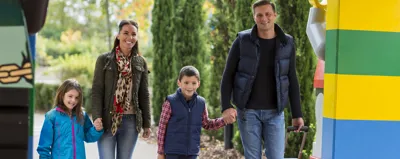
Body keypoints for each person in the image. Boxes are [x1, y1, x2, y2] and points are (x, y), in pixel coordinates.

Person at [220, 1, 305, 159]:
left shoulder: (287, 43)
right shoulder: (242, 41)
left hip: (275, 112)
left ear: (274, 15)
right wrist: (226, 106)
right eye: (259, 15)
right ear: (254, 17)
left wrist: (297, 114)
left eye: (267, 14)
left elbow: (291, 78)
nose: (264, 18)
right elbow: (228, 75)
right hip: (248, 112)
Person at [92, 20, 151, 159]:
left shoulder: (140, 62)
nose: (129, 37)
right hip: (107, 119)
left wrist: (147, 123)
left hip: (131, 121)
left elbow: (144, 94)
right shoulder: (104, 60)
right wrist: (96, 117)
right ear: (118, 35)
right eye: (126, 33)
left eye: (133, 34)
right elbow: (97, 90)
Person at [157, 66, 230, 159]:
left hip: (192, 153)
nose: (190, 86)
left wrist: (224, 120)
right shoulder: (170, 102)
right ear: (179, 82)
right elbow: (162, 128)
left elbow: (207, 124)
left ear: (198, 84)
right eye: (186, 82)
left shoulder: (201, 103)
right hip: (173, 153)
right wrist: (160, 152)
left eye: (193, 83)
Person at [37, 79, 104, 159]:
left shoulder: (82, 115)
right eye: (70, 96)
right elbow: (44, 148)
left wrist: (97, 129)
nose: (73, 100)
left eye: (76, 97)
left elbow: (88, 136)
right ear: (62, 95)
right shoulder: (51, 117)